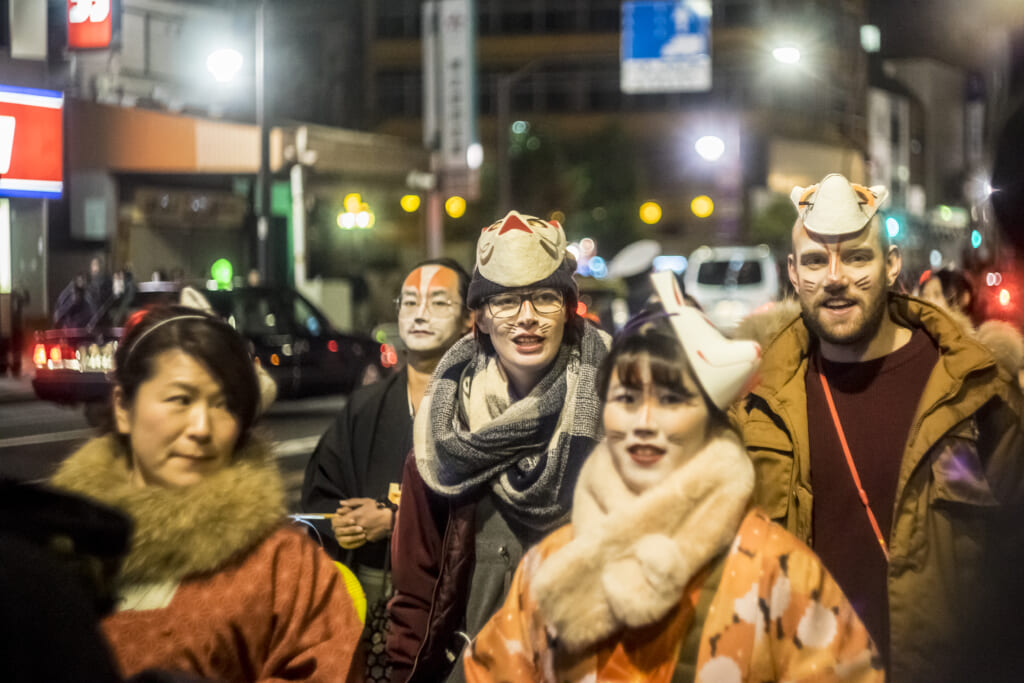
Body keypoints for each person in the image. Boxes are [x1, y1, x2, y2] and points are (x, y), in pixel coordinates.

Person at [464, 271, 883, 682]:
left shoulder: (777, 570)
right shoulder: (552, 563)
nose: (644, 422)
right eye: (626, 398)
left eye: (671, 399)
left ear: (712, 418)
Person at [730, 173, 1024, 682]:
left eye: (857, 257)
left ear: (891, 266)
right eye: (815, 261)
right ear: (793, 273)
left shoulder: (973, 386)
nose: (835, 277)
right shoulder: (755, 398)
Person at [49, 305, 362, 682]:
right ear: (122, 407)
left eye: (224, 404)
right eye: (180, 399)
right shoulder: (59, 547)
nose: (201, 428)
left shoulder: (283, 566)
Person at [387, 211, 612, 682]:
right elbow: (415, 594)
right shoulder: (444, 431)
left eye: (545, 297)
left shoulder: (617, 412)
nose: (526, 317)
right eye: (506, 301)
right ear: (483, 318)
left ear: (568, 309)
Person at [302, 257, 473, 606]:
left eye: (438, 302)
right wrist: (341, 522)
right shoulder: (364, 406)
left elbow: (484, 515)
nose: (420, 314)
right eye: (409, 302)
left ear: (469, 319)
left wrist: (396, 521)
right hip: (374, 596)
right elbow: (321, 493)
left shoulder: (482, 404)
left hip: (456, 593)